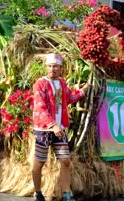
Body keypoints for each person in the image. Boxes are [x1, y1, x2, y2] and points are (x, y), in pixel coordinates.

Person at [32, 53, 89, 201]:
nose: (52, 69)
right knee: (39, 162)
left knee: (65, 161)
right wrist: (53, 125)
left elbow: (69, 98)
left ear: (60, 68)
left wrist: (83, 91)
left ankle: (66, 194)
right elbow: (40, 106)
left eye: (55, 66)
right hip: (44, 129)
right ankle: (38, 192)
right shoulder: (40, 84)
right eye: (50, 66)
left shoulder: (62, 83)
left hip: (59, 128)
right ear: (46, 67)